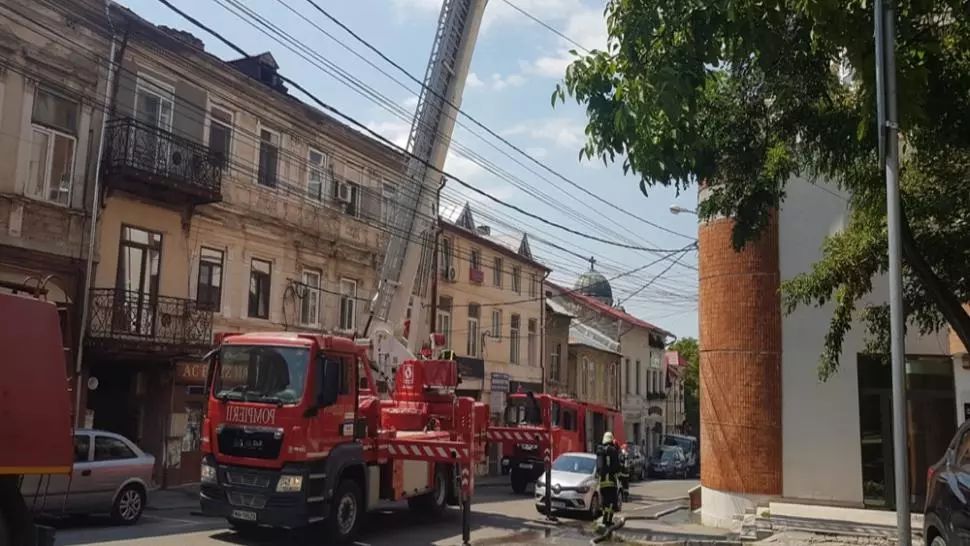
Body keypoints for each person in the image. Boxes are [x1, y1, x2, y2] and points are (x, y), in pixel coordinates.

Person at [595, 431, 621, 528]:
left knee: (604, 501)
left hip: (602, 482)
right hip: (611, 481)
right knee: (611, 502)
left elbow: (598, 467)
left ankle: (604, 519)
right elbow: (617, 466)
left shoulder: (600, 451)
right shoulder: (613, 451)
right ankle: (608, 521)